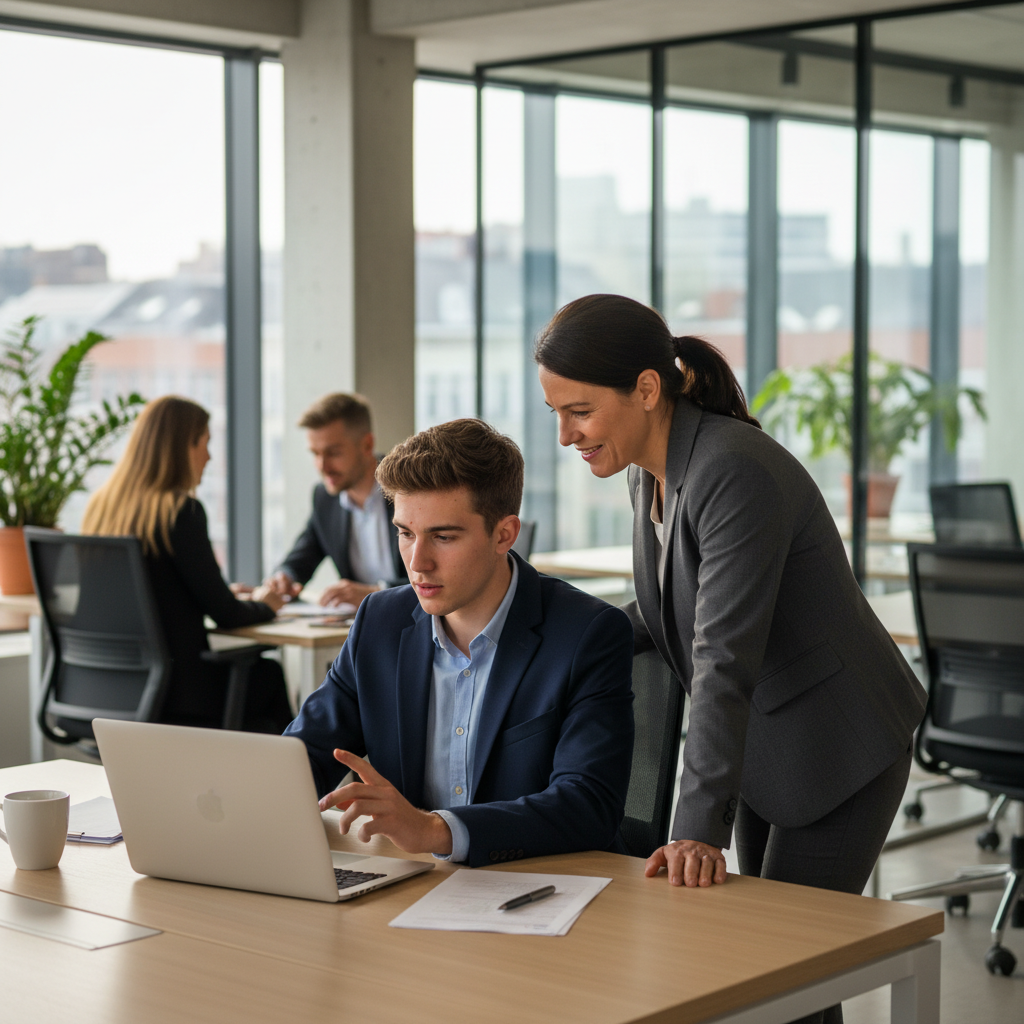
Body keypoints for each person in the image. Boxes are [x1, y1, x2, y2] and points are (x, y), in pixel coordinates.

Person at [536, 295, 925, 1023]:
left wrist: (693, 828)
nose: (565, 435)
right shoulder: (649, 471)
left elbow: (721, 654)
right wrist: (550, 646)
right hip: (770, 747)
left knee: (789, 975)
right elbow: (662, 615)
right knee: (784, 977)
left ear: (647, 390)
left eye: (578, 411)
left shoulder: (730, 471)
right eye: (556, 412)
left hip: (837, 745)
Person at [284, 418, 635, 866]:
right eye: (405, 533)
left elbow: (588, 805)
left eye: (443, 537)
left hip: (546, 889)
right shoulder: (380, 621)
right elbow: (305, 754)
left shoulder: (587, 633)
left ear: (505, 534)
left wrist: (435, 829)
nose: (417, 562)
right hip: (419, 885)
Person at [82, 396, 293, 733]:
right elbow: (227, 614)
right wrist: (265, 604)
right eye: (204, 443)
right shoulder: (180, 512)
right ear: (181, 447)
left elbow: (161, 592)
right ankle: (300, 783)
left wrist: (221, 594)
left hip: (104, 693)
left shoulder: (102, 509)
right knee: (267, 674)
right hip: (176, 696)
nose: (209, 456)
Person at [257, 393, 407, 609]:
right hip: (364, 629)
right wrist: (284, 577)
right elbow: (303, 556)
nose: (322, 466)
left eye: (333, 453)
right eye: (315, 454)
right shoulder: (325, 498)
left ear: (367, 445)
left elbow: (442, 575)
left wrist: (377, 592)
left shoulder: (408, 489)